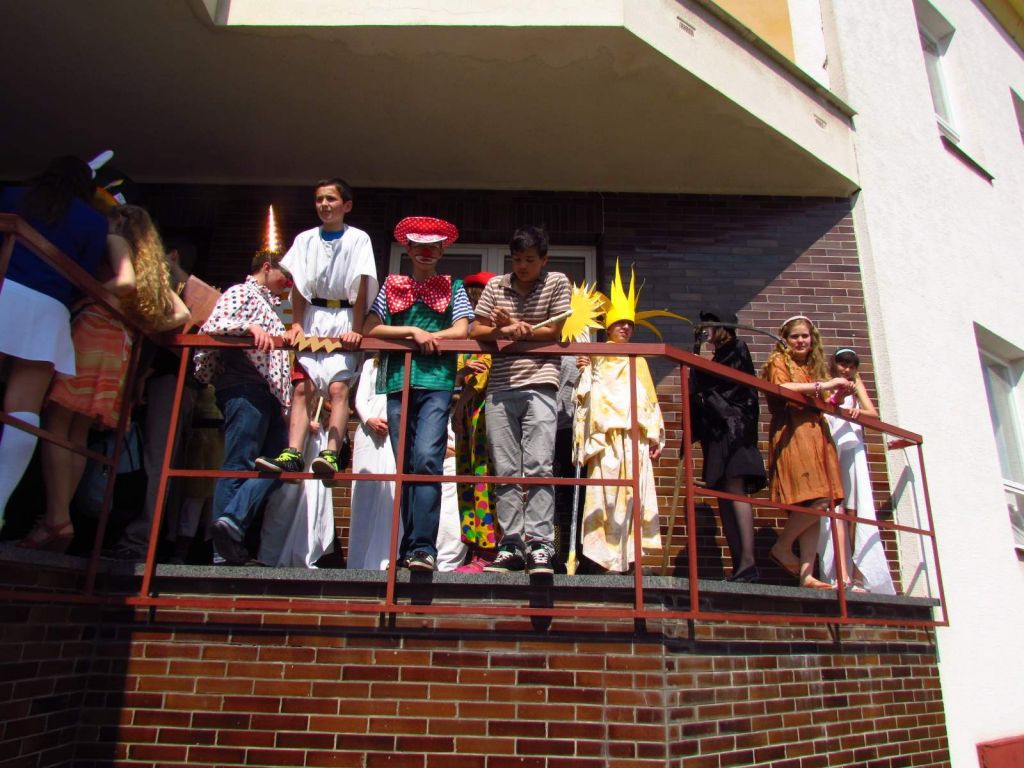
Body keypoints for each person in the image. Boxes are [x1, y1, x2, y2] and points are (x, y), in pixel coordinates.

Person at [22, 204, 189, 551]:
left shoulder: (114, 241)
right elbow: (181, 313)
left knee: (57, 424)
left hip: (92, 331)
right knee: (78, 434)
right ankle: (59, 516)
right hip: (119, 345)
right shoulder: (152, 265)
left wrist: (87, 296)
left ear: (120, 219)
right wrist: (138, 322)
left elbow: (125, 282)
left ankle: (57, 517)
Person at [0, 157, 109, 530]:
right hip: (49, 307)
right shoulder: (93, 221)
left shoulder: (12, 196)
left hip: (4, 289)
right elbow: (86, 274)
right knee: (23, 410)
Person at [363, 216, 473, 572]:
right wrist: (412, 331)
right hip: (398, 381)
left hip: (437, 382)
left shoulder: (454, 286)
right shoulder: (391, 285)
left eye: (433, 247)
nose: (426, 252)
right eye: (419, 246)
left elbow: (462, 329)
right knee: (406, 465)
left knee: (426, 458)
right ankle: (411, 547)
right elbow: (370, 327)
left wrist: (432, 337)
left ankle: (423, 547)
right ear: (408, 249)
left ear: (442, 251)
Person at [256, 178, 377, 484]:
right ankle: (293, 453)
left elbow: (362, 283)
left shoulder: (358, 239)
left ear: (346, 205)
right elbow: (298, 284)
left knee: (338, 388)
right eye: (320, 199)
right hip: (313, 317)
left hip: (344, 316)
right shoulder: (305, 239)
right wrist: (296, 324)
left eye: (331, 199)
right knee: (302, 387)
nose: (324, 204)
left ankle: (331, 453)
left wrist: (357, 328)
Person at [471, 225, 571, 575]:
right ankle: (511, 543)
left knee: (540, 464)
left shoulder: (557, 282)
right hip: (500, 384)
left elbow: (554, 330)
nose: (523, 266)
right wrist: (505, 329)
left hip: (541, 381)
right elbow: (476, 330)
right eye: (517, 259)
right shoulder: (496, 285)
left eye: (530, 259)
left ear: (544, 259)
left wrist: (517, 326)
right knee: (505, 468)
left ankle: (540, 543)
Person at [195, 251, 294, 565]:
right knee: (239, 462)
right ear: (267, 267)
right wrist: (248, 328)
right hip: (243, 386)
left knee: (279, 462)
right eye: (286, 277)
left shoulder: (270, 305)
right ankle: (222, 551)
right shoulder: (241, 291)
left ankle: (232, 522)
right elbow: (216, 324)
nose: (289, 284)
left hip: (266, 393)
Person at [574, 262, 665, 573]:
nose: (625, 328)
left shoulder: (638, 358)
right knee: (605, 494)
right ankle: (601, 560)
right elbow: (585, 394)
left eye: (629, 324)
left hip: (633, 436)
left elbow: (649, 398)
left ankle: (631, 559)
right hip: (606, 437)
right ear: (608, 326)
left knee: (635, 495)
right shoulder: (597, 353)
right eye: (619, 323)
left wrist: (655, 434)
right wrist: (585, 369)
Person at [761, 315, 852, 590]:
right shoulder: (778, 362)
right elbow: (782, 388)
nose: (801, 341)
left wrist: (837, 396)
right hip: (794, 433)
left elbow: (823, 400)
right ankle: (782, 546)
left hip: (817, 436)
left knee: (817, 503)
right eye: (795, 336)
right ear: (785, 340)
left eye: (805, 336)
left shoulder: (812, 368)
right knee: (820, 498)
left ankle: (806, 574)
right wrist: (824, 386)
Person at [690, 309, 767, 582]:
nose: (705, 332)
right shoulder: (719, 355)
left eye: (708, 327)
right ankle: (740, 566)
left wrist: (699, 367)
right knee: (723, 493)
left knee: (735, 489)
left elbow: (726, 388)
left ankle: (748, 562)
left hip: (735, 432)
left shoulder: (737, 348)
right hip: (719, 433)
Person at [818, 348, 895, 594]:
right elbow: (825, 406)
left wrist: (857, 411)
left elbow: (872, 412)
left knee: (855, 504)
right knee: (834, 505)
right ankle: (839, 573)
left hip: (851, 445)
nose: (847, 370)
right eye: (843, 364)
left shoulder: (855, 382)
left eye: (851, 366)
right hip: (832, 440)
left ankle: (860, 575)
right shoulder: (828, 380)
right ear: (834, 364)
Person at [451, 271, 498, 572]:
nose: (472, 298)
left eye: (476, 294)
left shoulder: (489, 331)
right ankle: (475, 546)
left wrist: (458, 408)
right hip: (468, 413)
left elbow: (480, 377)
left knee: (483, 476)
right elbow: (458, 374)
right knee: (467, 476)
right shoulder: (465, 331)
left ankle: (488, 549)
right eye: (470, 293)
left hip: (484, 411)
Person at [257, 390, 335, 568]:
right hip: (291, 444)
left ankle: (303, 550)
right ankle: (270, 555)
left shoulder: (320, 393)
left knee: (311, 497)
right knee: (283, 500)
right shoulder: (290, 392)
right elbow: (282, 413)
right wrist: (305, 424)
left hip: (314, 443)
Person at [347, 355, 399, 570]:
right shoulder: (370, 364)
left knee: (392, 494)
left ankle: (388, 557)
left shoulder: (406, 364)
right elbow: (359, 399)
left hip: (394, 432)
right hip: (369, 435)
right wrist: (369, 419)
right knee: (365, 494)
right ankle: (359, 563)